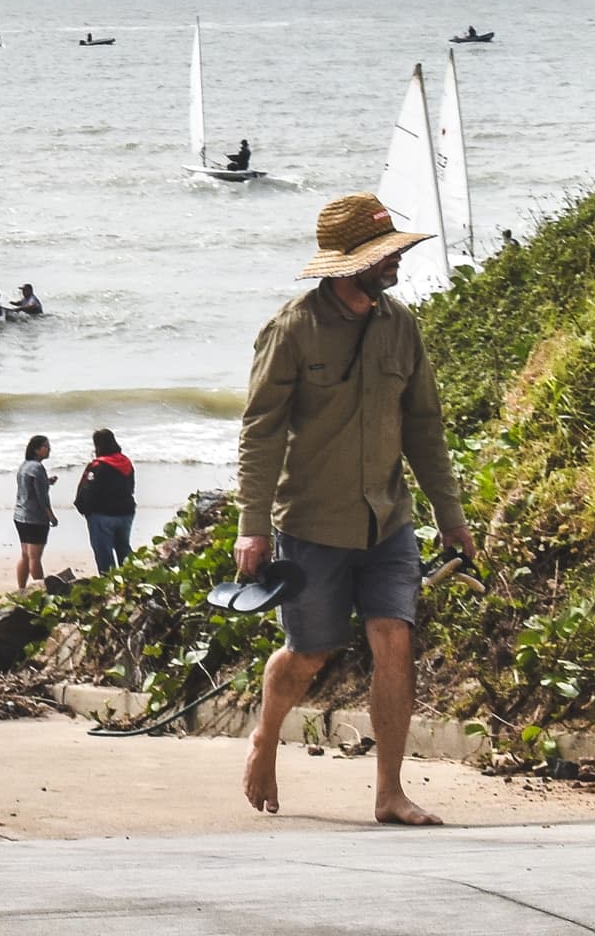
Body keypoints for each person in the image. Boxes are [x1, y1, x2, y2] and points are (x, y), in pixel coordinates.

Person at [236, 194, 472, 827]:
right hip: (312, 522)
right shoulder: (291, 330)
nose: (394, 262)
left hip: (388, 519)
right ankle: (266, 735)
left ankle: (389, 791)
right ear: (344, 267)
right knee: (309, 653)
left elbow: (424, 427)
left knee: (394, 638)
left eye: (393, 250)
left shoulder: (402, 326)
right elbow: (260, 432)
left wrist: (451, 518)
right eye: (381, 254)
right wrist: (251, 528)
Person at [74, 428, 137, 574]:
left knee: (104, 553)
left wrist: (84, 510)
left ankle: (110, 584)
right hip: (126, 513)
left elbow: (89, 491)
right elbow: (131, 487)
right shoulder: (126, 462)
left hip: (102, 515)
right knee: (124, 548)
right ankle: (130, 578)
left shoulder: (98, 466)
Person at [11, 433, 57, 588]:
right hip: (34, 518)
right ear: (37, 450)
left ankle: (21, 589)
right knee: (35, 557)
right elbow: (41, 497)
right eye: (46, 446)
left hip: (20, 515)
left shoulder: (24, 465)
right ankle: (41, 589)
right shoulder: (37, 468)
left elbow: (29, 487)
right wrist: (51, 516)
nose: (49, 449)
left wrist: (47, 482)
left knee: (25, 555)